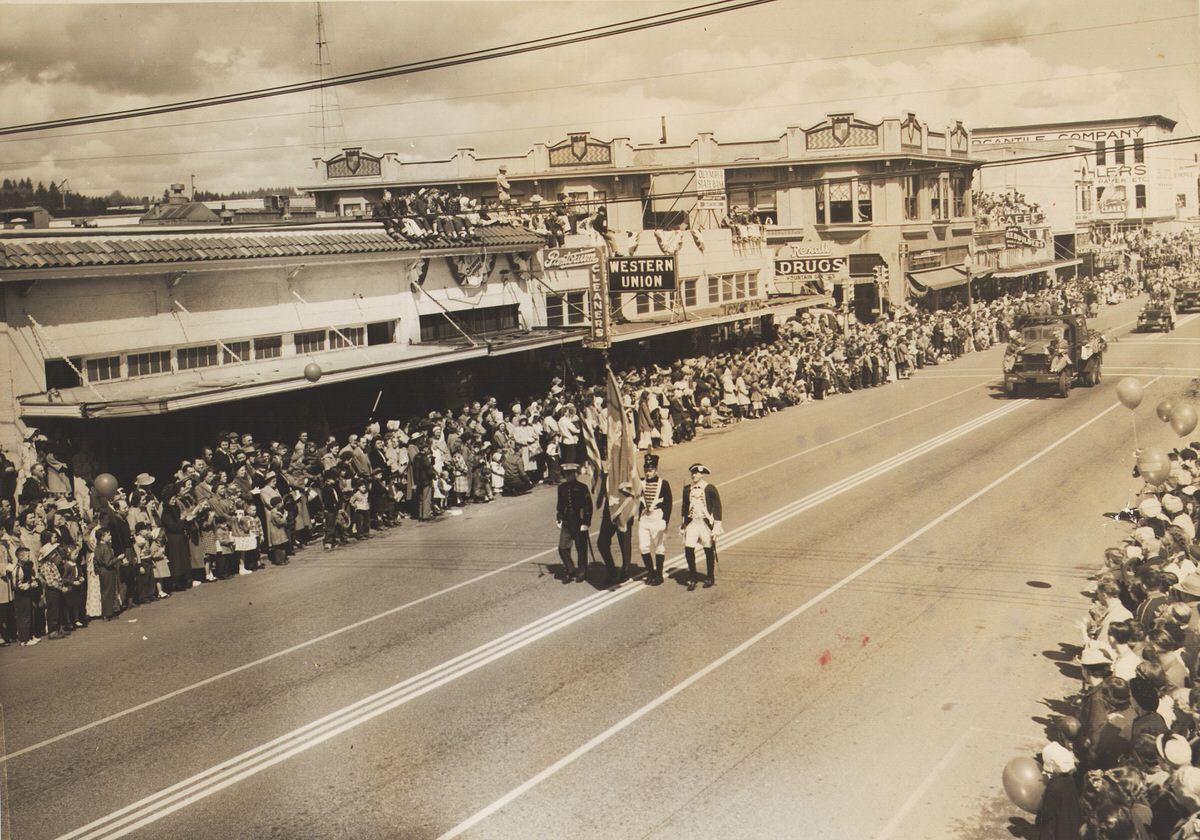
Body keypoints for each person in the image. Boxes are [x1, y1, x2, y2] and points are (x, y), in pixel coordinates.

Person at [679, 463, 723, 591]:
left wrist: (716, 527)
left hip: (705, 524)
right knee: (688, 549)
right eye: (692, 473)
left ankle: (710, 576)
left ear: (702, 474)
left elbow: (717, 507)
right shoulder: (687, 489)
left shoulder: (710, 488)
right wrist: (683, 524)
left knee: (708, 550)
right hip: (692, 523)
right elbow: (684, 507)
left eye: (697, 473)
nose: (694, 475)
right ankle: (692, 577)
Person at [637, 454, 673, 586]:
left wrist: (665, 520)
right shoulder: (641, 483)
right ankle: (650, 572)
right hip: (644, 518)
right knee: (643, 547)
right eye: (646, 469)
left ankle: (658, 574)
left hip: (657, 517)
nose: (648, 472)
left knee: (659, 547)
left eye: (650, 470)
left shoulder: (663, 484)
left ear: (656, 470)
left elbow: (668, 503)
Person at [555, 463, 592, 583]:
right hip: (567, 520)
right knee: (562, 547)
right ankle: (570, 570)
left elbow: (588, 506)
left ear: (575, 474)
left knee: (581, 548)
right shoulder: (561, 488)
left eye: (571, 473)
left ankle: (582, 571)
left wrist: (586, 522)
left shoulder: (582, 487)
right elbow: (560, 504)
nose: (569, 476)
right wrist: (559, 517)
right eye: (566, 474)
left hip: (579, 520)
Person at [597, 480, 635, 585]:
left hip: (623, 506)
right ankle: (611, 572)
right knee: (602, 543)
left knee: (624, 542)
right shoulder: (604, 469)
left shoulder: (624, 464)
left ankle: (625, 572)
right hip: (609, 507)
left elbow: (634, 484)